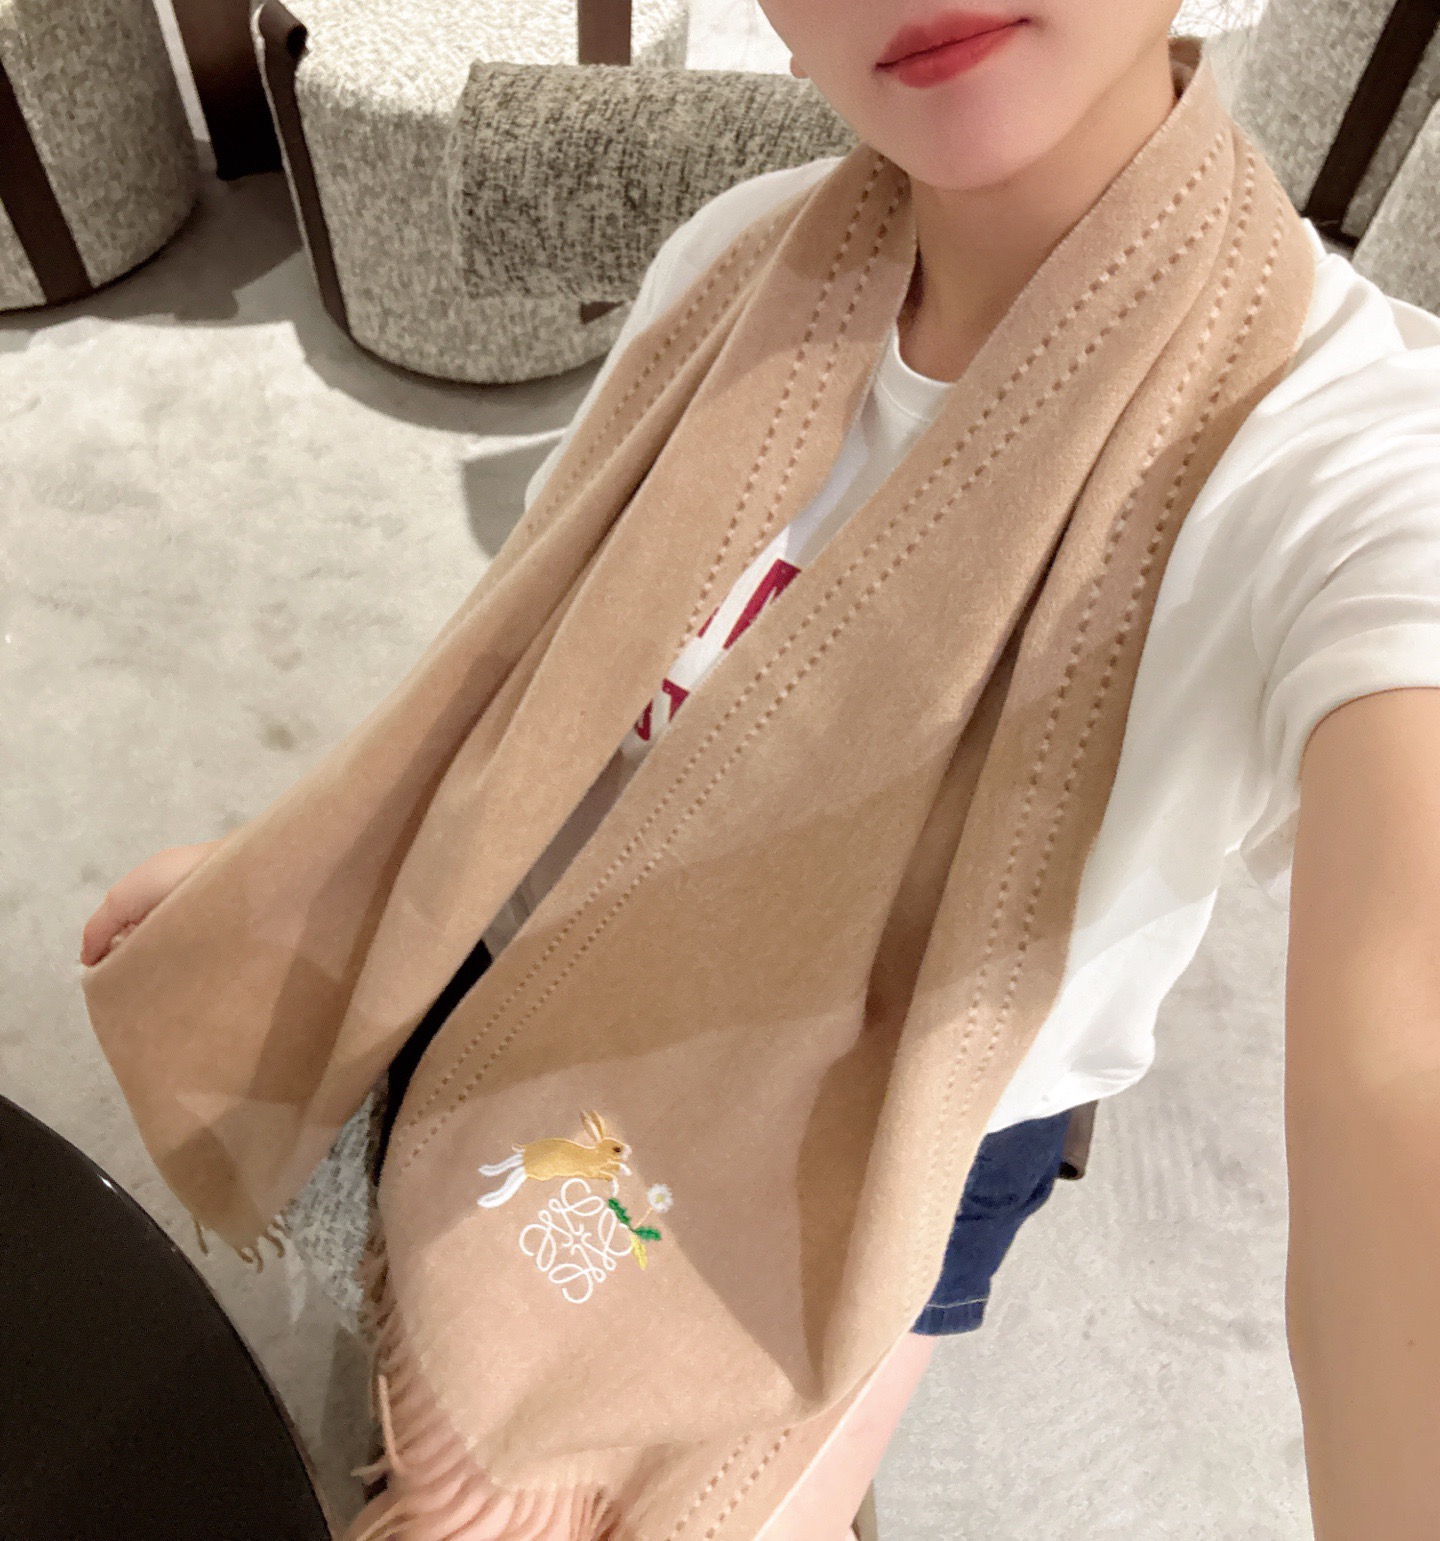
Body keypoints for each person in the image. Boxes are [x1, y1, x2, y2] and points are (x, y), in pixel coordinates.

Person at [81, 2, 1440, 1536]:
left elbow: (1399, 1080)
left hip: (876, 1147)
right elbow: (524, 691)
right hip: (548, 966)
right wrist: (294, 879)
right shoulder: (735, 262)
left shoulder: (1349, 455)